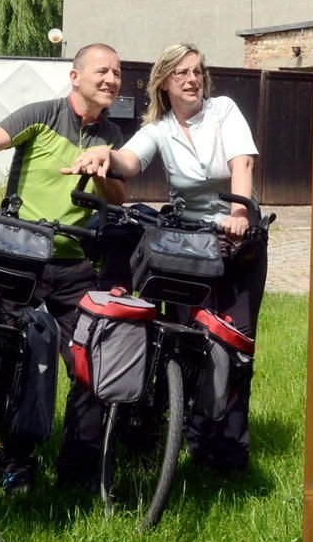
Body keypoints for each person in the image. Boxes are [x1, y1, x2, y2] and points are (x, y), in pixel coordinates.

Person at [0, 42, 126, 493]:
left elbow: (118, 198)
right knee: (14, 353)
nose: (111, 79)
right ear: (75, 77)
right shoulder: (43, 114)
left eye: (117, 73)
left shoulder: (112, 135)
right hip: (20, 258)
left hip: (74, 265)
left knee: (91, 363)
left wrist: (101, 171)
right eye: (102, 71)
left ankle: (76, 475)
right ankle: (15, 457)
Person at [67, 42, 265, 471]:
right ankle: (188, 435)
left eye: (197, 71)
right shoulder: (160, 128)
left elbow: (242, 163)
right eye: (182, 74)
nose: (192, 80)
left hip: (237, 238)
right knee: (185, 339)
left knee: (235, 344)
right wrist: (106, 156)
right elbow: (131, 161)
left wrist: (238, 213)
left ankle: (229, 448)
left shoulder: (223, 110)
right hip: (189, 243)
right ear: (164, 83)